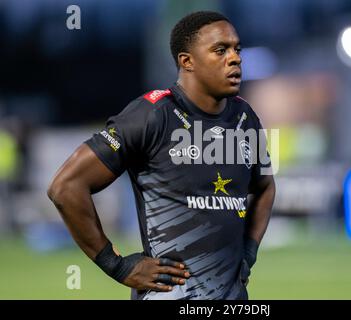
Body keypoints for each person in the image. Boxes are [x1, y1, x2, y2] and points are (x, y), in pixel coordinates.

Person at [47, 10, 275, 300]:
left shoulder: (246, 118)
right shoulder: (151, 115)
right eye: (220, 50)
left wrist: (249, 252)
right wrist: (116, 266)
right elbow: (65, 187)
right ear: (187, 61)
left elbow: (265, 186)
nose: (235, 58)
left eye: (236, 49)